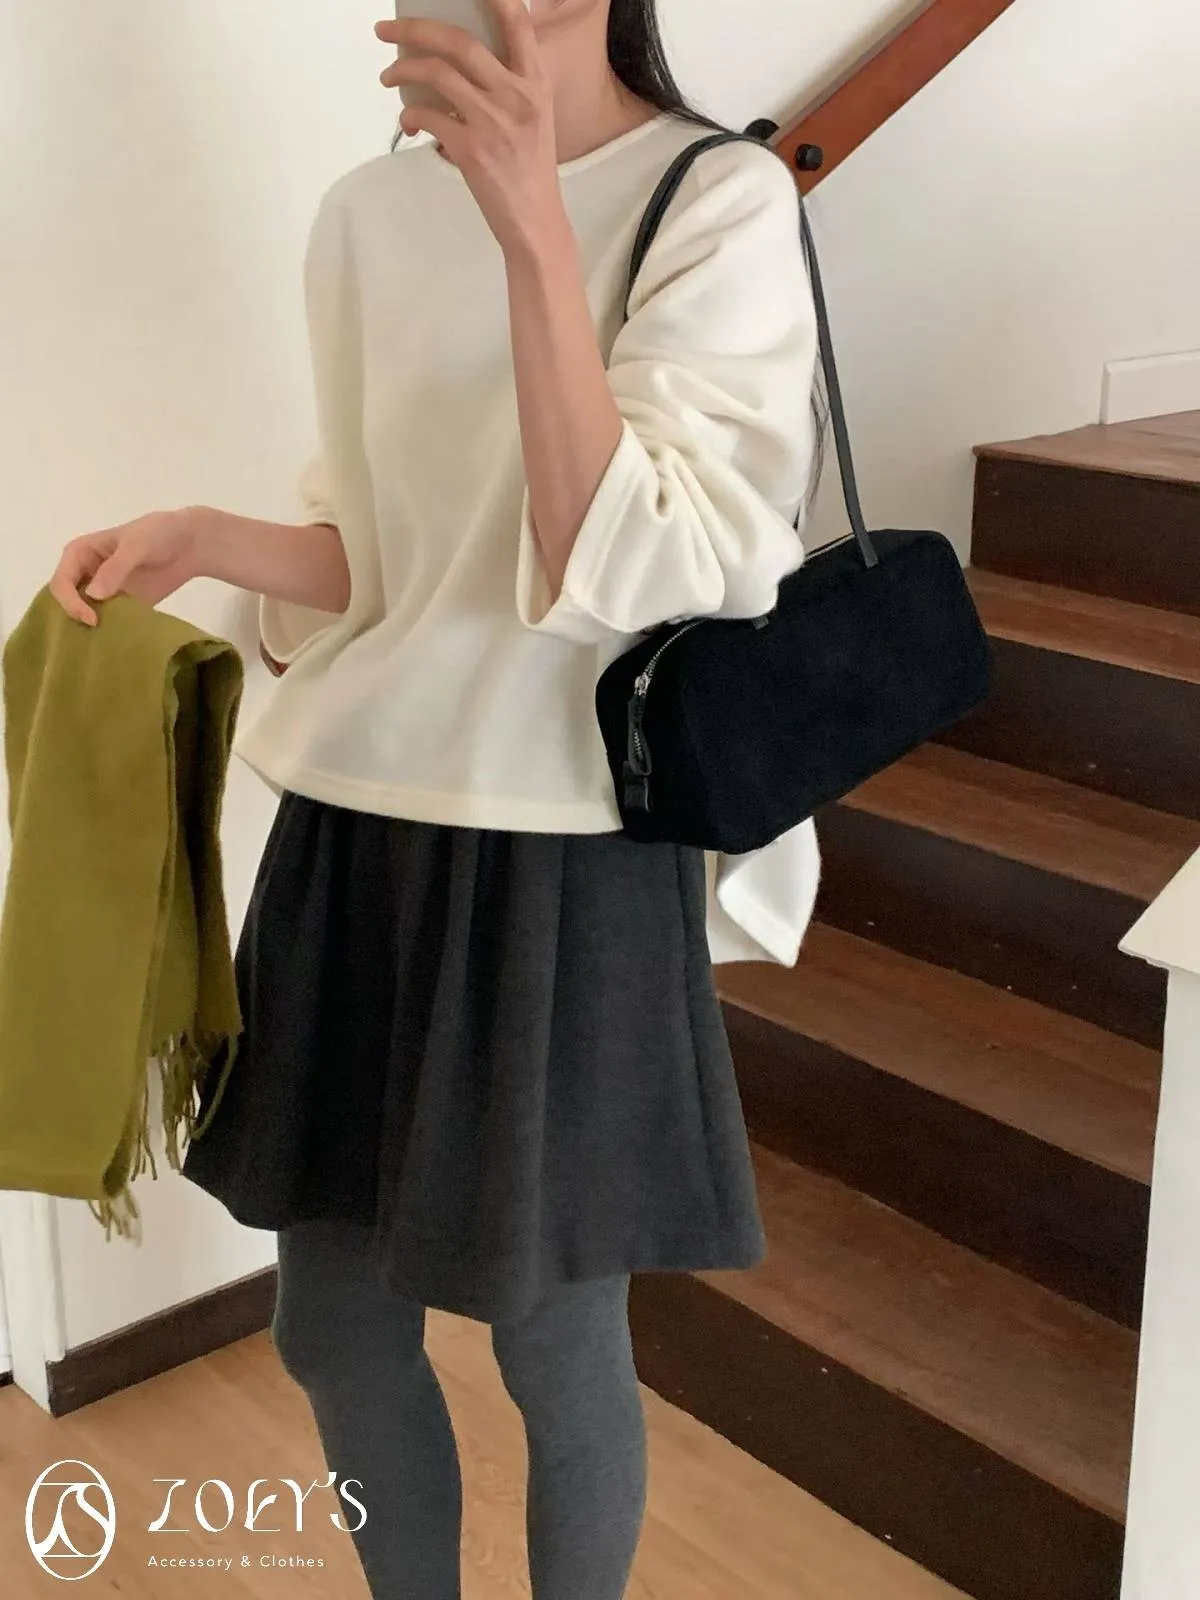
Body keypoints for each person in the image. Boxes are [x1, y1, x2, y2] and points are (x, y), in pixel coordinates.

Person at [49, 2, 820, 1595]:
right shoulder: (366, 215)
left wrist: (534, 229)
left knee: (553, 1337)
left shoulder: (718, 200)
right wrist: (205, 536)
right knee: (330, 1323)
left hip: (569, 850)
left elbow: (640, 565)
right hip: (357, 833)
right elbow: (389, 554)